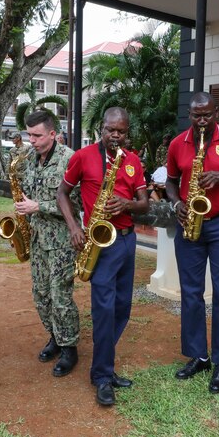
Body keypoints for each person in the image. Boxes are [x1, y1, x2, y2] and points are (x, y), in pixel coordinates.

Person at [57, 107, 149, 406]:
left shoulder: (133, 160)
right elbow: (62, 194)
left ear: (127, 132)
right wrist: (74, 227)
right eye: (111, 130)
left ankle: (105, 362)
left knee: (122, 308)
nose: (115, 135)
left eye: (121, 131)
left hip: (126, 240)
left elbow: (144, 204)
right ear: (102, 128)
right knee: (104, 310)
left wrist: (126, 204)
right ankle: (102, 376)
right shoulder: (82, 157)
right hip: (100, 242)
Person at [165, 92, 219, 395]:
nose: (201, 121)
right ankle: (198, 356)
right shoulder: (178, 143)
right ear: (189, 114)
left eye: (207, 115)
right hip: (190, 224)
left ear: (217, 113)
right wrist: (175, 202)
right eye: (195, 115)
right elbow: (170, 181)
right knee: (190, 293)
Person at [14, 111, 81, 377]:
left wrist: (37, 206)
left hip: (62, 240)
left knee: (60, 296)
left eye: (37, 135)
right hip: (38, 238)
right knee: (40, 295)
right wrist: (23, 205)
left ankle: (69, 348)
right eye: (29, 134)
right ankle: (54, 336)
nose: (32, 140)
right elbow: (24, 189)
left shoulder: (70, 158)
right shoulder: (30, 158)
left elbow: (75, 204)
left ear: (53, 134)